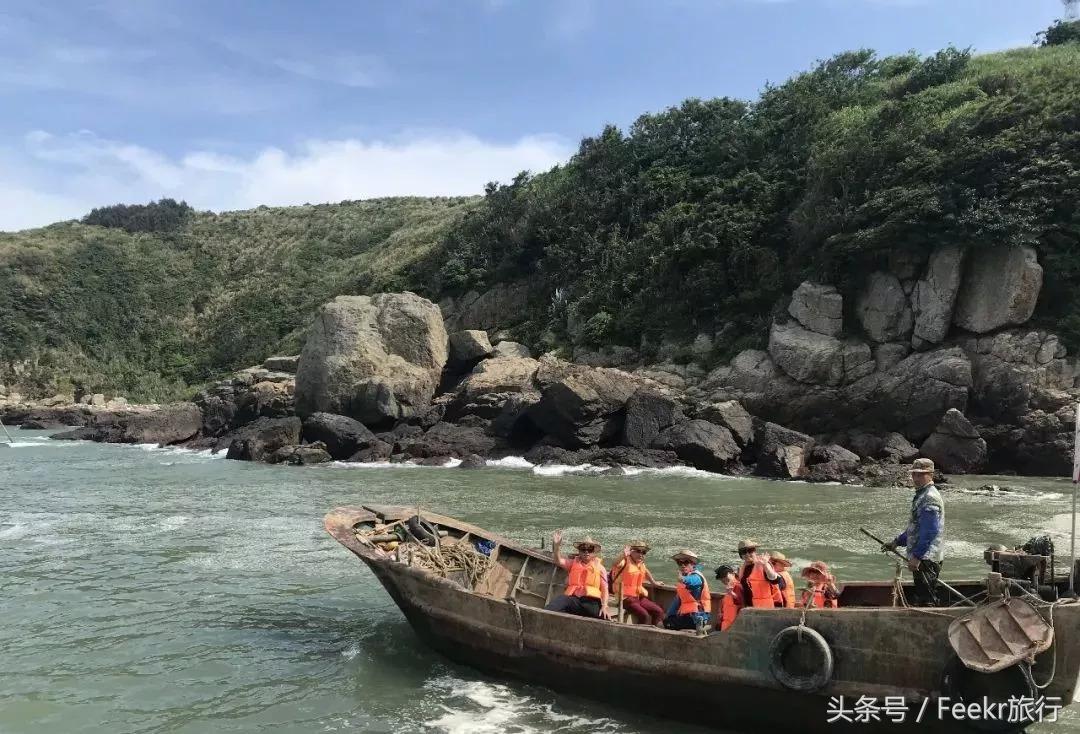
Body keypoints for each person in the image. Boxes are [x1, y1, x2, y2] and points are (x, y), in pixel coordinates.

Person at [882, 458, 946, 606]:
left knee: (927, 600)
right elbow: (916, 528)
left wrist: (917, 557)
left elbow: (930, 531)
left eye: (920, 475)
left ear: (931, 474)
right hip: (924, 556)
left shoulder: (929, 497)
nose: (916, 478)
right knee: (923, 594)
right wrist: (897, 542)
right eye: (914, 474)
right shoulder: (921, 495)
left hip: (927, 558)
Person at [545, 531, 610, 619]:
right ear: (579, 551)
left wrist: (604, 606)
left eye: (590, 550)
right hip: (574, 600)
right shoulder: (572, 563)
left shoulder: (600, 568)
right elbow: (558, 561)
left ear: (593, 552)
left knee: (604, 617)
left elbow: (605, 589)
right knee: (557, 603)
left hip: (591, 602)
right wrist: (556, 546)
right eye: (583, 550)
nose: (586, 552)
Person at [610, 540, 664, 626]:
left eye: (643, 552)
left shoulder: (640, 563)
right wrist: (623, 555)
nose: (641, 554)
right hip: (625, 598)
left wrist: (653, 582)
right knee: (644, 615)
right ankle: (641, 635)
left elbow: (645, 571)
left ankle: (655, 633)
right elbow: (614, 563)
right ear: (631, 552)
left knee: (658, 611)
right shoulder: (624, 561)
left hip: (638, 596)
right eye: (638, 551)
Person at [664, 550, 711, 631]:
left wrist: (684, 579)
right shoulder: (685, 576)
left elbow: (694, 582)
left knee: (665, 624)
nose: (683, 565)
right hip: (688, 616)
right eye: (679, 563)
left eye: (686, 562)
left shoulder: (696, 576)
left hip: (697, 618)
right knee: (667, 620)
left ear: (693, 564)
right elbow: (677, 600)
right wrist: (669, 615)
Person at [736, 539, 785, 608]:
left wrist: (765, 565)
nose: (747, 554)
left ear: (755, 551)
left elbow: (775, 579)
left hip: (768, 608)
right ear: (740, 555)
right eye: (743, 552)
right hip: (751, 608)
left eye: (750, 550)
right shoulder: (742, 569)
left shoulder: (763, 563)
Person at [714, 564, 743, 631]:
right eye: (721, 577)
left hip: (733, 627)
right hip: (726, 625)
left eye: (725, 575)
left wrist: (732, 594)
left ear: (732, 573)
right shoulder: (729, 588)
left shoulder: (737, 586)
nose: (723, 579)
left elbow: (741, 603)